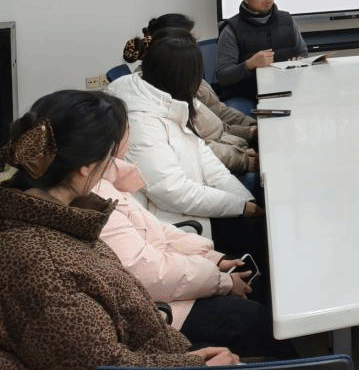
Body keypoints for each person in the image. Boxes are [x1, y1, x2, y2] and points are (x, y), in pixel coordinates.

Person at [0, 89, 240, 368]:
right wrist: (193, 365)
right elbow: (101, 364)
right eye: (110, 154)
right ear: (86, 167)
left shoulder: (62, 219)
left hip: (157, 348)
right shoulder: (44, 263)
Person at [94, 122, 295, 359]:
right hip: (161, 309)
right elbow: (149, 272)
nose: (129, 135)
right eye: (125, 128)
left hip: (170, 278)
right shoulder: (96, 199)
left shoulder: (107, 179)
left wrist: (214, 259)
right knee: (255, 321)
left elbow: (157, 231)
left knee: (254, 281)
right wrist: (222, 281)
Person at [106, 34, 268, 273]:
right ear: (182, 78)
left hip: (194, 205)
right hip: (176, 225)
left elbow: (205, 158)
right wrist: (241, 207)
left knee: (262, 214)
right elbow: (172, 191)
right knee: (264, 235)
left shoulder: (166, 101)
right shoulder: (142, 122)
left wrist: (245, 201)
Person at [124, 15, 258, 175]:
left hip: (226, 151)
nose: (194, 42)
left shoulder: (176, 76)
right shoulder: (168, 90)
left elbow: (216, 122)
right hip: (215, 166)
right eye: (189, 38)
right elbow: (196, 148)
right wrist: (243, 158)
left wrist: (250, 131)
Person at [216, 0, 307, 114]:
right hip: (245, 96)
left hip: (284, 91)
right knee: (241, 119)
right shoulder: (231, 29)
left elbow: (303, 53)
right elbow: (223, 76)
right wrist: (249, 64)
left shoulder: (288, 21)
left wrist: (299, 63)